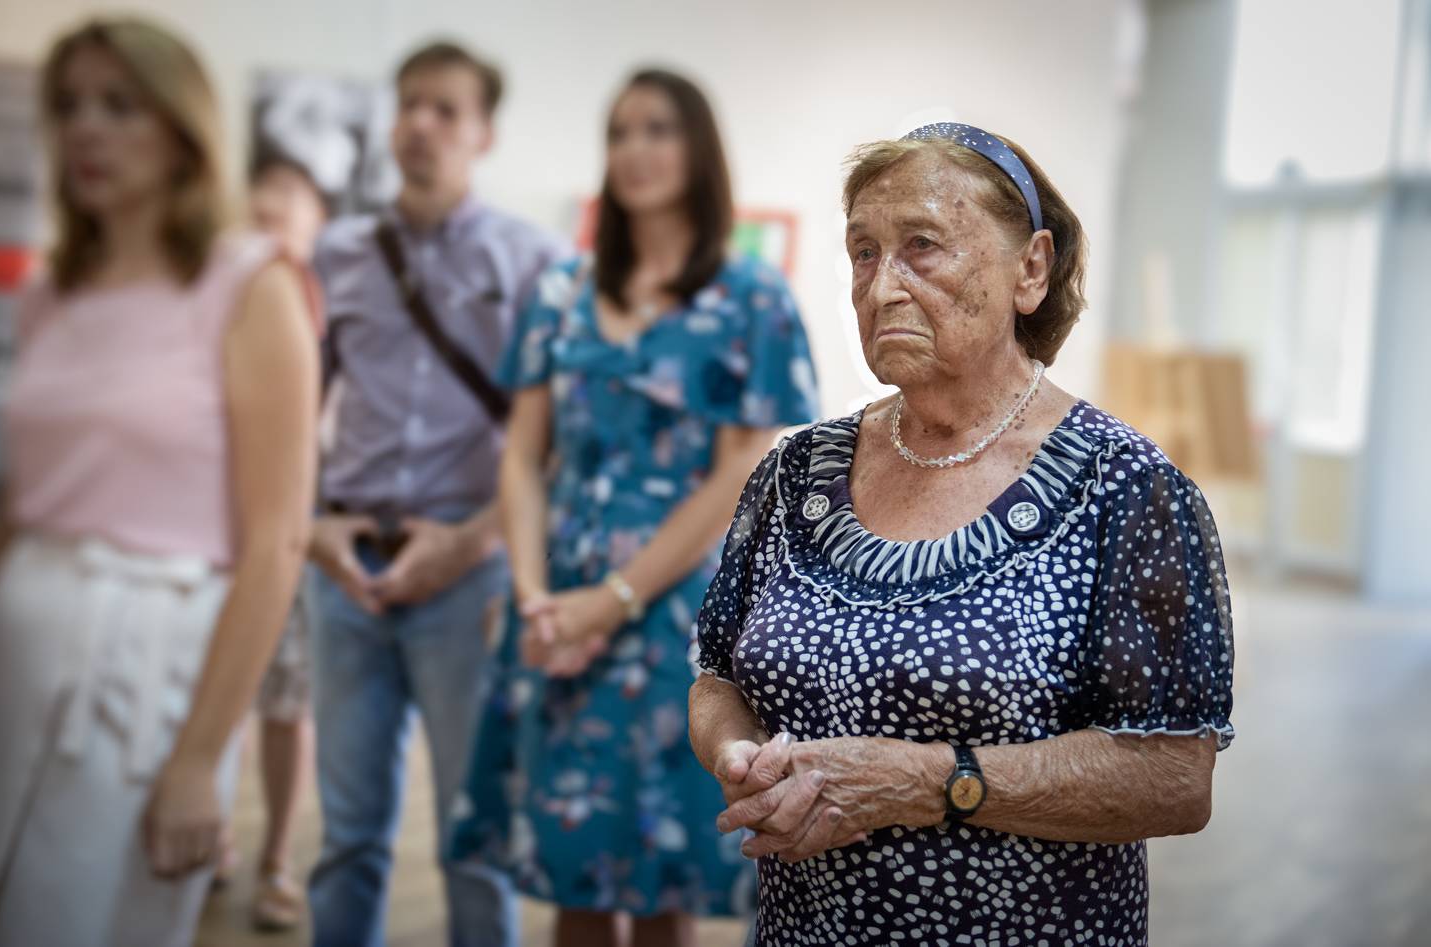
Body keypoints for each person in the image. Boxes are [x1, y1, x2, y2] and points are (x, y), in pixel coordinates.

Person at [688, 123, 1236, 946]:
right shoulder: (795, 472)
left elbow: (1174, 777)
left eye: (923, 246)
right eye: (863, 252)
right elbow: (716, 676)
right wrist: (739, 755)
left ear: (1031, 269)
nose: (882, 287)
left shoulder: (1127, 489)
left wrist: (928, 782)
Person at [0, 17, 317, 947]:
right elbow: (16, 511)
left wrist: (198, 758)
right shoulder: (49, 292)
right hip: (17, 638)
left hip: (152, 662)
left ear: (182, 128)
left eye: (118, 106)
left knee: (85, 917)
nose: (86, 131)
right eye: (68, 108)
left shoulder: (250, 283)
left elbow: (277, 542)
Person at [449, 70, 818, 947]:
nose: (634, 150)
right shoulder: (561, 290)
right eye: (619, 132)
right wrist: (535, 594)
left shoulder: (750, 297)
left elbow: (738, 472)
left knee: (659, 881)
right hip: (558, 600)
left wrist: (612, 598)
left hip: (675, 609)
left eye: (658, 129)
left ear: (700, 150)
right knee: (570, 867)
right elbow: (522, 457)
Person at [305, 40, 565, 947]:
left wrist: (472, 542)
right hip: (345, 566)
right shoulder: (334, 253)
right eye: (409, 103)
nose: (420, 123)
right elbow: (290, 410)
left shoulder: (534, 262)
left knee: (473, 830)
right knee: (347, 833)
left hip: (467, 569)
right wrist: (311, 527)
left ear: (483, 132)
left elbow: (557, 441)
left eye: (445, 109)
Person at [209, 151, 332, 932]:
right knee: (217, 690)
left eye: (294, 193)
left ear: (321, 218)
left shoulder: (334, 308)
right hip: (212, 533)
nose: (273, 204)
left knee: (287, 706)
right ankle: (215, 830)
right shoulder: (215, 294)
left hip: (296, 537)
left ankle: (277, 858)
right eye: (263, 190)